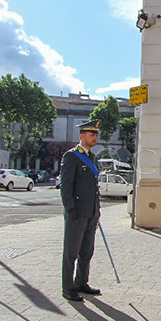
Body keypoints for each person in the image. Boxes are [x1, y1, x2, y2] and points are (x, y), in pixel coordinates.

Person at [60, 119, 102, 302]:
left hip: (90, 213)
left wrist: (96, 211)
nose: (95, 137)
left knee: (87, 251)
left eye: (96, 134)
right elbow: (66, 186)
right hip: (76, 213)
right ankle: (68, 288)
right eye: (91, 134)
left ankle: (81, 282)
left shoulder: (93, 157)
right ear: (82, 135)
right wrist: (70, 208)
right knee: (71, 252)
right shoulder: (71, 156)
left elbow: (94, 188)